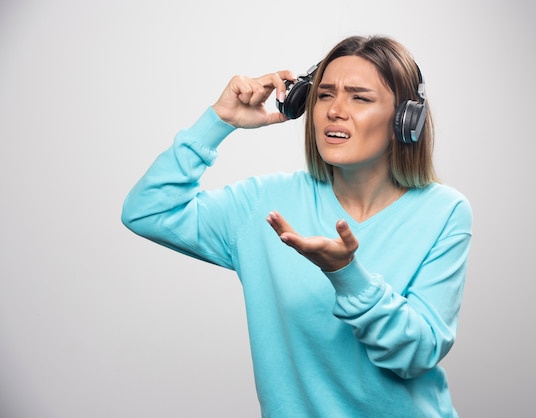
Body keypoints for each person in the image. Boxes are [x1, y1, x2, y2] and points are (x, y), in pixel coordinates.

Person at [122, 34, 472, 418]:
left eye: (360, 97)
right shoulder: (264, 203)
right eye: (324, 95)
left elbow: (417, 354)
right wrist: (219, 122)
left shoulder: (445, 211)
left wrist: (346, 274)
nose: (335, 110)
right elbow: (147, 211)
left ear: (406, 120)